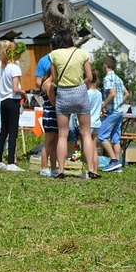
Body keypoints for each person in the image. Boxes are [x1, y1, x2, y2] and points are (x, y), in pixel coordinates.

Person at [44, 29, 99, 179]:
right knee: (86, 133)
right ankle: (92, 170)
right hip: (80, 93)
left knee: (62, 135)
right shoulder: (82, 53)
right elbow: (89, 76)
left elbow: (54, 79)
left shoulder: (54, 55)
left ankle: (61, 170)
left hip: (63, 94)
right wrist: (80, 83)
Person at [0, 40, 26, 172]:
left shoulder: (3, 66)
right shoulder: (15, 68)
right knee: (13, 132)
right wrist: (24, 93)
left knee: (4, 130)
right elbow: (16, 88)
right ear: (15, 54)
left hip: (3, 100)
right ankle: (11, 162)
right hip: (13, 100)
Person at [98, 56, 130, 173]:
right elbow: (127, 94)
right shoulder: (118, 78)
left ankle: (113, 161)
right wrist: (119, 103)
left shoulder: (108, 78)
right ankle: (118, 165)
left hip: (112, 113)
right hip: (120, 112)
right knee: (115, 138)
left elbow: (112, 93)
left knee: (102, 135)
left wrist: (103, 106)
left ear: (105, 66)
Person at [34, 37, 58, 177]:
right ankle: (44, 167)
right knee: (49, 141)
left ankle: (54, 167)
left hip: (53, 114)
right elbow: (53, 101)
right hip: (50, 113)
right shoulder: (47, 85)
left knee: (55, 142)